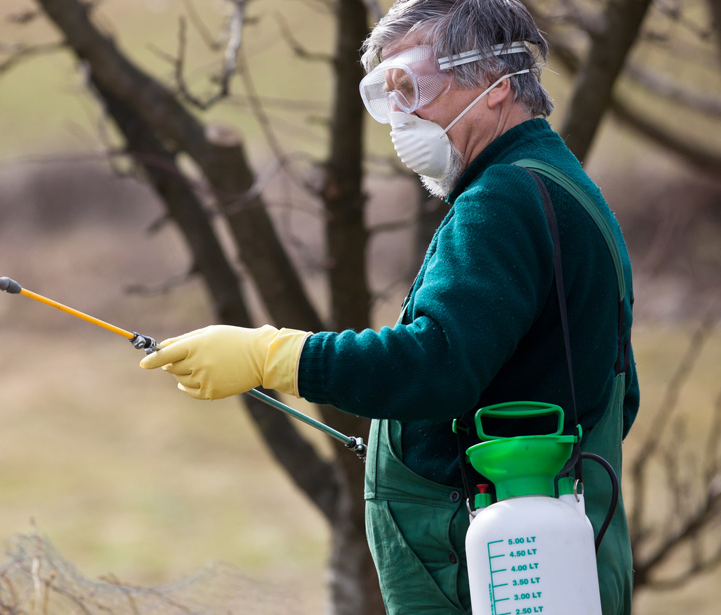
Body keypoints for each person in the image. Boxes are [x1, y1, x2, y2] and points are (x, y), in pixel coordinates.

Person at [139, 1, 637, 613]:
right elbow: (615, 396)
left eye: (414, 86)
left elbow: (436, 364)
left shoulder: (503, 199)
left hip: (503, 573)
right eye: (387, 93)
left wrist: (275, 356)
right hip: (548, 561)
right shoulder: (554, 184)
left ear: (496, 83)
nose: (400, 114)